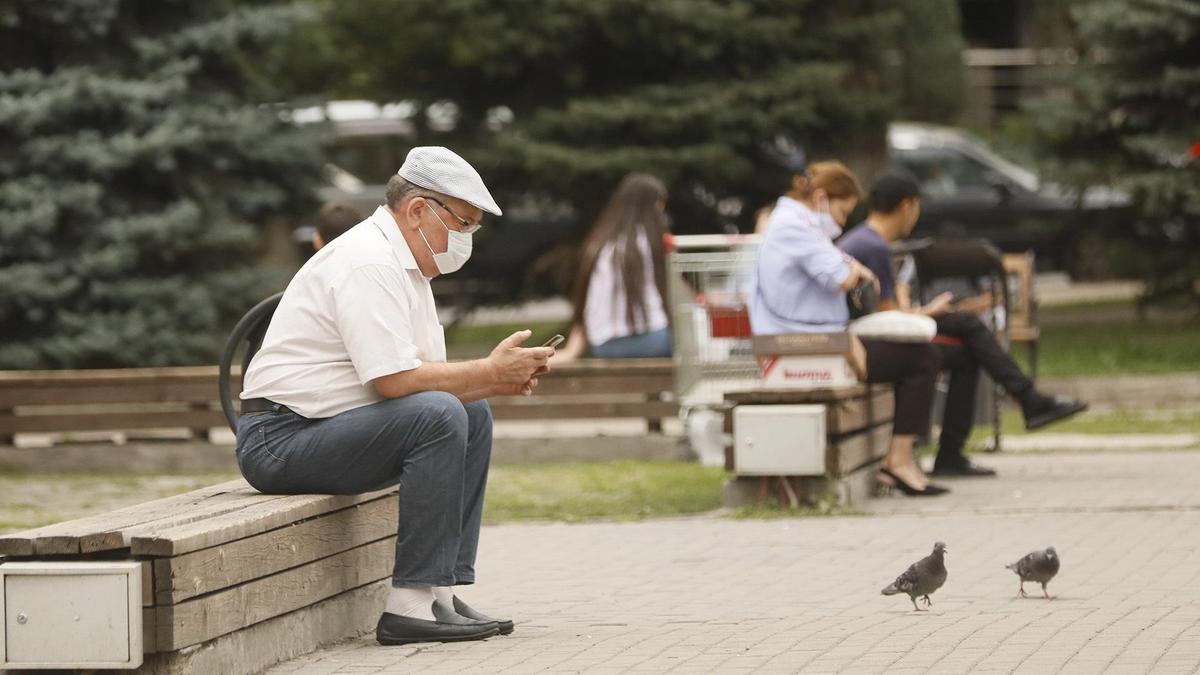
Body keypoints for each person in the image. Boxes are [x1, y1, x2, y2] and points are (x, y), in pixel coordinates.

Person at [237, 147, 554, 646]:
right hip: (279, 438)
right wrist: (488, 370)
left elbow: (425, 378)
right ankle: (408, 605)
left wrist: (495, 380)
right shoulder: (369, 262)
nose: (467, 239)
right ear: (418, 211)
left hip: (319, 427)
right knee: (439, 414)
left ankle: (439, 592)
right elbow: (395, 383)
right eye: (464, 224)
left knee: (470, 411)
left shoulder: (405, 266)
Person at [838, 170, 1088, 477]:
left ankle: (1013, 410)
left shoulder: (863, 239)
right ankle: (1022, 403)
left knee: (966, 336)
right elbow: (888, 319)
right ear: (908, 206)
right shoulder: (873, 246)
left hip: (863, 338)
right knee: (966, 329)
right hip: (871, 344)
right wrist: (929, 312)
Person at [750, 159, 949, 497]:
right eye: (842, 212)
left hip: (813, 335)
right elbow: (841, 276)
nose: (841, 224)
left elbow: (835, 264)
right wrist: (854, 268)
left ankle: (900, 458)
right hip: (803, 341)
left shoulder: (795, 223)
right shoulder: (794, 227)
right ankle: (898, 461)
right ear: (822, 198)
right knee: (922, 358)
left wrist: (850, 265)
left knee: (919, 353)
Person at [556, 173, 672, 360]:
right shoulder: (647, 243)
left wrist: (573, 349)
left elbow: (589, 299)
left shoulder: (601, 244)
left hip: (605, 345)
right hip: (653, 340)